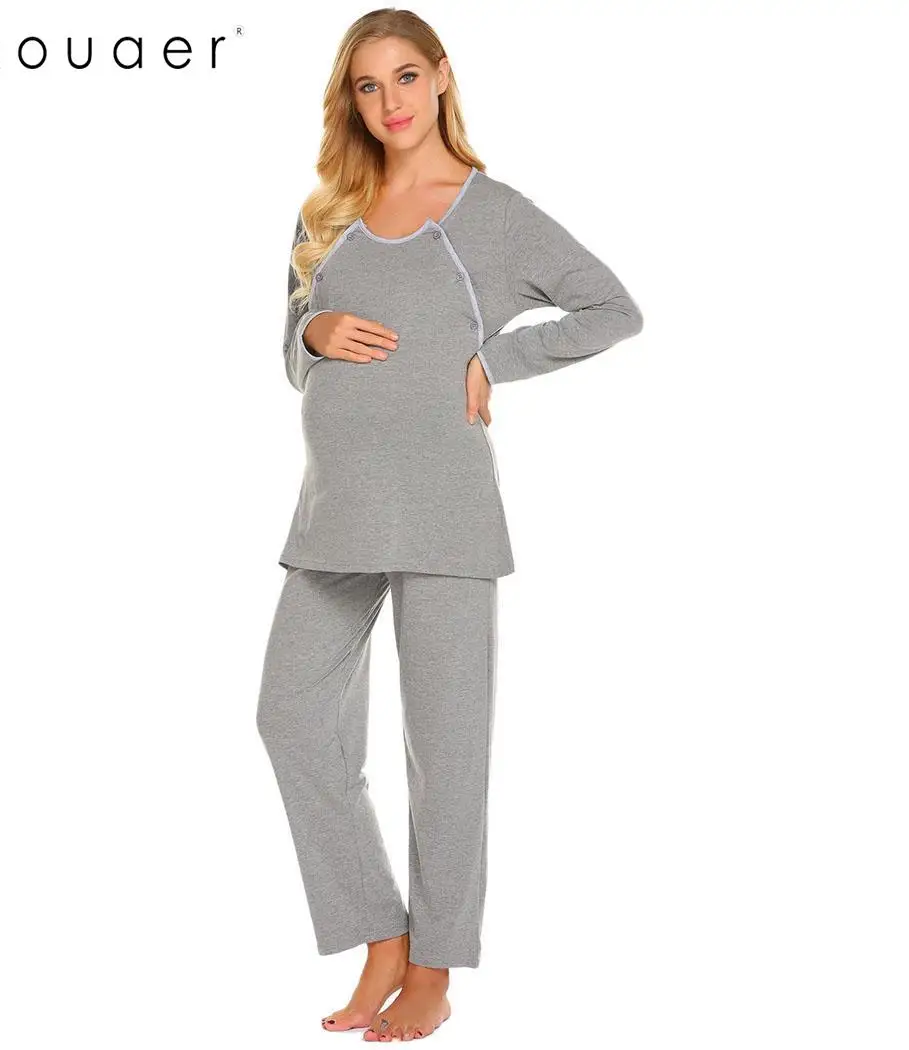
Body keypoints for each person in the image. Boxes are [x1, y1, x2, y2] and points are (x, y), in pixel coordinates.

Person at [256, 8, 643, 1042]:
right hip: (333, 513)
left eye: (404, 77)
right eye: (367, 85)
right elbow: (287, 356)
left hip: (446, 516)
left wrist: (495, 361)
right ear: (350, 101)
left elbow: (613, 309)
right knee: (290, 716)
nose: (389, 102)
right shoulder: (325, 213)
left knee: (446, 757)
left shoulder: (494, 214)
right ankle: (379, 931)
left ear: (439, 78)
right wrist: (312, 329)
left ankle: (433, 966)